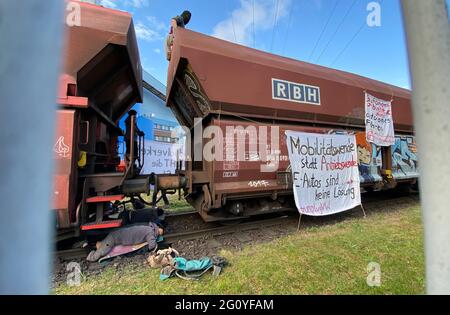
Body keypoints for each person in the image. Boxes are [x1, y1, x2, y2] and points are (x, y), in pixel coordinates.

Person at [86, 222, 164, 262]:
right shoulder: (151, 233)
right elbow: (152, 246)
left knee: (104, 246)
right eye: (160, 233)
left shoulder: (149, 226)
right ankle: (88, 252)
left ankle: (88, 246)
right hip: (115, 236)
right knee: (101, 252)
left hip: (118, 233)